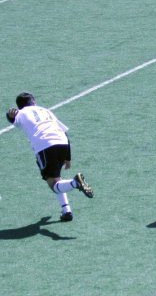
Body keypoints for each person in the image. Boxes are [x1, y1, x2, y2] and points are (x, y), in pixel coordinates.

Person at [6, 93, 94, 222]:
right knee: (57, 178)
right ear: (34, 101)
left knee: (53, 184)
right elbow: (64, 132)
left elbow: (13, 120)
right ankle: (66, 211)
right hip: (62, 142)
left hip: (44, 146)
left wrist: (10, 116)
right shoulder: (46, 111)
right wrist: (68, 157)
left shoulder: (21, 113)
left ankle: (75, 183)